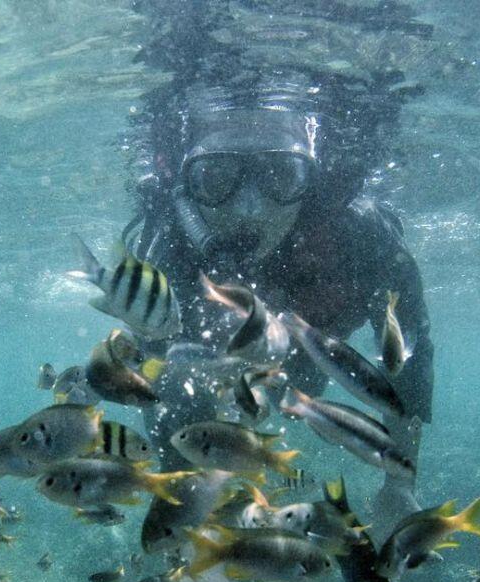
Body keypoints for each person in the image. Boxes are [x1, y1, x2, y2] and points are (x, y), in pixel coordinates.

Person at [121, 71, 434, 542]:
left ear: (313, 176)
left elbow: (410, 355)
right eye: (217, 177)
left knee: (302, 377)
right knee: (178, 383)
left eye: (281, 175)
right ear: (187, 183)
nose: (250, 209)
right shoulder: (170, 247)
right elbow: (153, 374)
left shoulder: (362, 238)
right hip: (207, 378)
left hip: (310, 364)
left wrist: (399, 481)